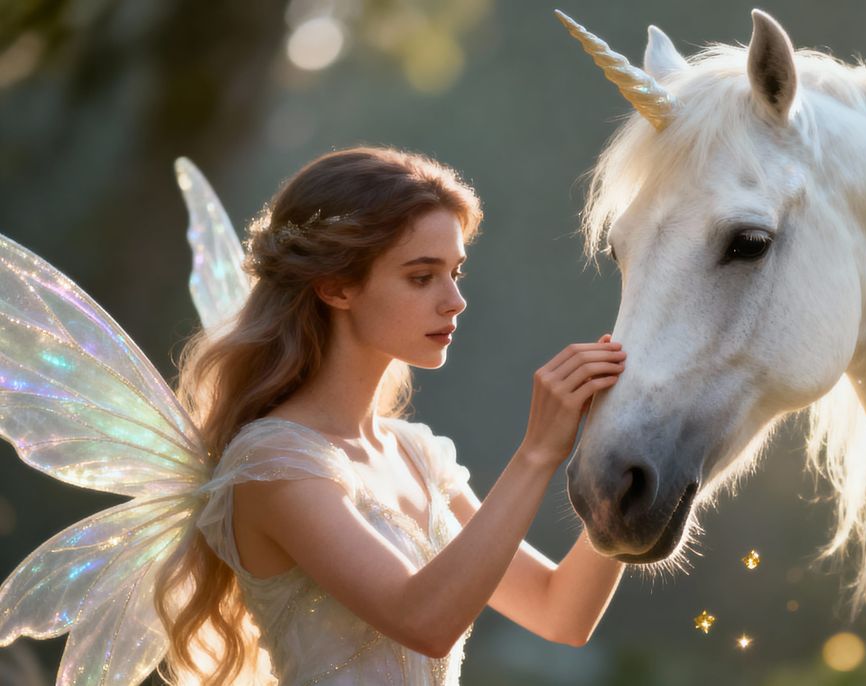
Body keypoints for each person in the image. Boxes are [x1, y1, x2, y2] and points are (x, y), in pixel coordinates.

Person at [0, 146, 626, 685]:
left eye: (455, 272)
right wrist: (538, 452)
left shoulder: (415, 455)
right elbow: (424, 622)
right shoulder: (273, 463)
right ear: (336, 287)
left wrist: (629, 451)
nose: (454, 300)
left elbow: (559, 612)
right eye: (421, 276)